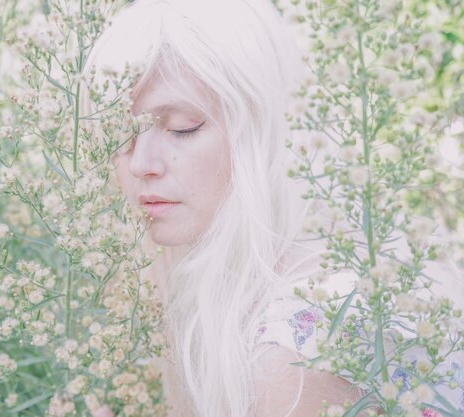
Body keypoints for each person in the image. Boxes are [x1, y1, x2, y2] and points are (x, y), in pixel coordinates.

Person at [81, 1, 464, 416]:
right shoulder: (246, 293)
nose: (140, 164)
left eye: (181, 127)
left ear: (264, 131)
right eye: (120, 134)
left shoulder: (296, 354)